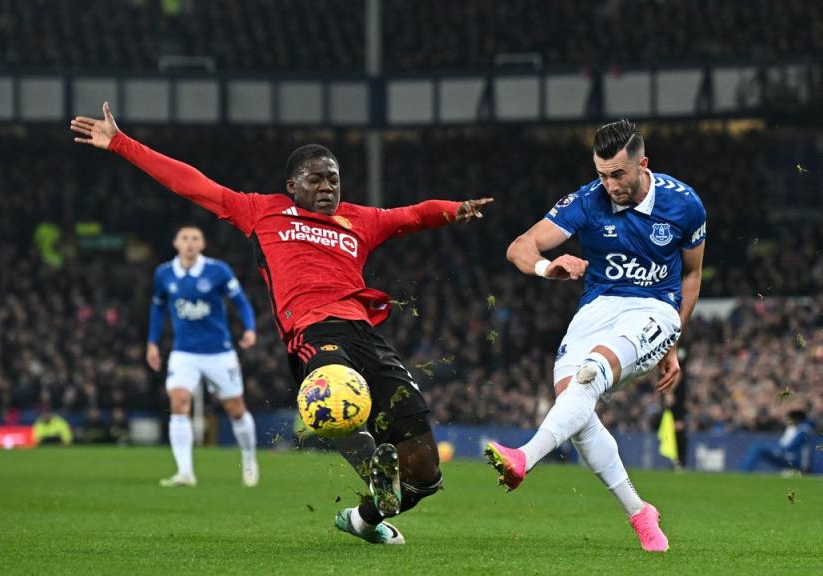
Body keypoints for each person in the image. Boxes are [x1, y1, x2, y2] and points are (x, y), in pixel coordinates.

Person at [71, 103, 492, 545]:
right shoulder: (262, 211)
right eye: (316, 179)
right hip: (314, 334)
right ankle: (371, 461)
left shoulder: (359, 220)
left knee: (423, 472)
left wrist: (453, 208)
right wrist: (120, 143)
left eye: (333, 178)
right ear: (292, 186)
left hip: (366, 335)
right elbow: (192, 183)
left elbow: (411, 215)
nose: (327, 186)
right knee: (334, 391)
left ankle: (366, 517)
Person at [485, 119, 706, 553]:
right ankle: (641, 513)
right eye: (601, 174)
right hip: (596, 311)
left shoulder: (685, 204)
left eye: (617, 175)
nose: (608, 185)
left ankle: (524, 458)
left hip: (655, 309)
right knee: (576, 406)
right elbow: (520, 247)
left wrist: (672, 341)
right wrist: (549, 267)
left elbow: (693, 274)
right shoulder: (587, 201)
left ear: (643, 164)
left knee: (590, 374)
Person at [147, 224, 259, 487]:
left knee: (235, 409)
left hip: (219, 352)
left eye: (195, 238)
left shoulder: (217, 270)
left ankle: (250, 458)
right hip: (183, 352)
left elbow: (240, 301)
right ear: (176, 243)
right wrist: (152, 343)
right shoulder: (164, 274)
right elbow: (157, 309)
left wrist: (250, 328)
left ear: (202, 244)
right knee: (178, 403)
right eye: (184, 238)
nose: (189, 242)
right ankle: (185, 471)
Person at [739, 409, 815, 474]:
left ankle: (743, 472)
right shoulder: (796, 428)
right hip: (788, 457)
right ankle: (743, 471)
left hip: (795, 461)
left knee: (758, 448)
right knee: (757, 447)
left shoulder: (804, 430)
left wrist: (778, 450)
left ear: (797, 419)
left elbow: (793, 446)